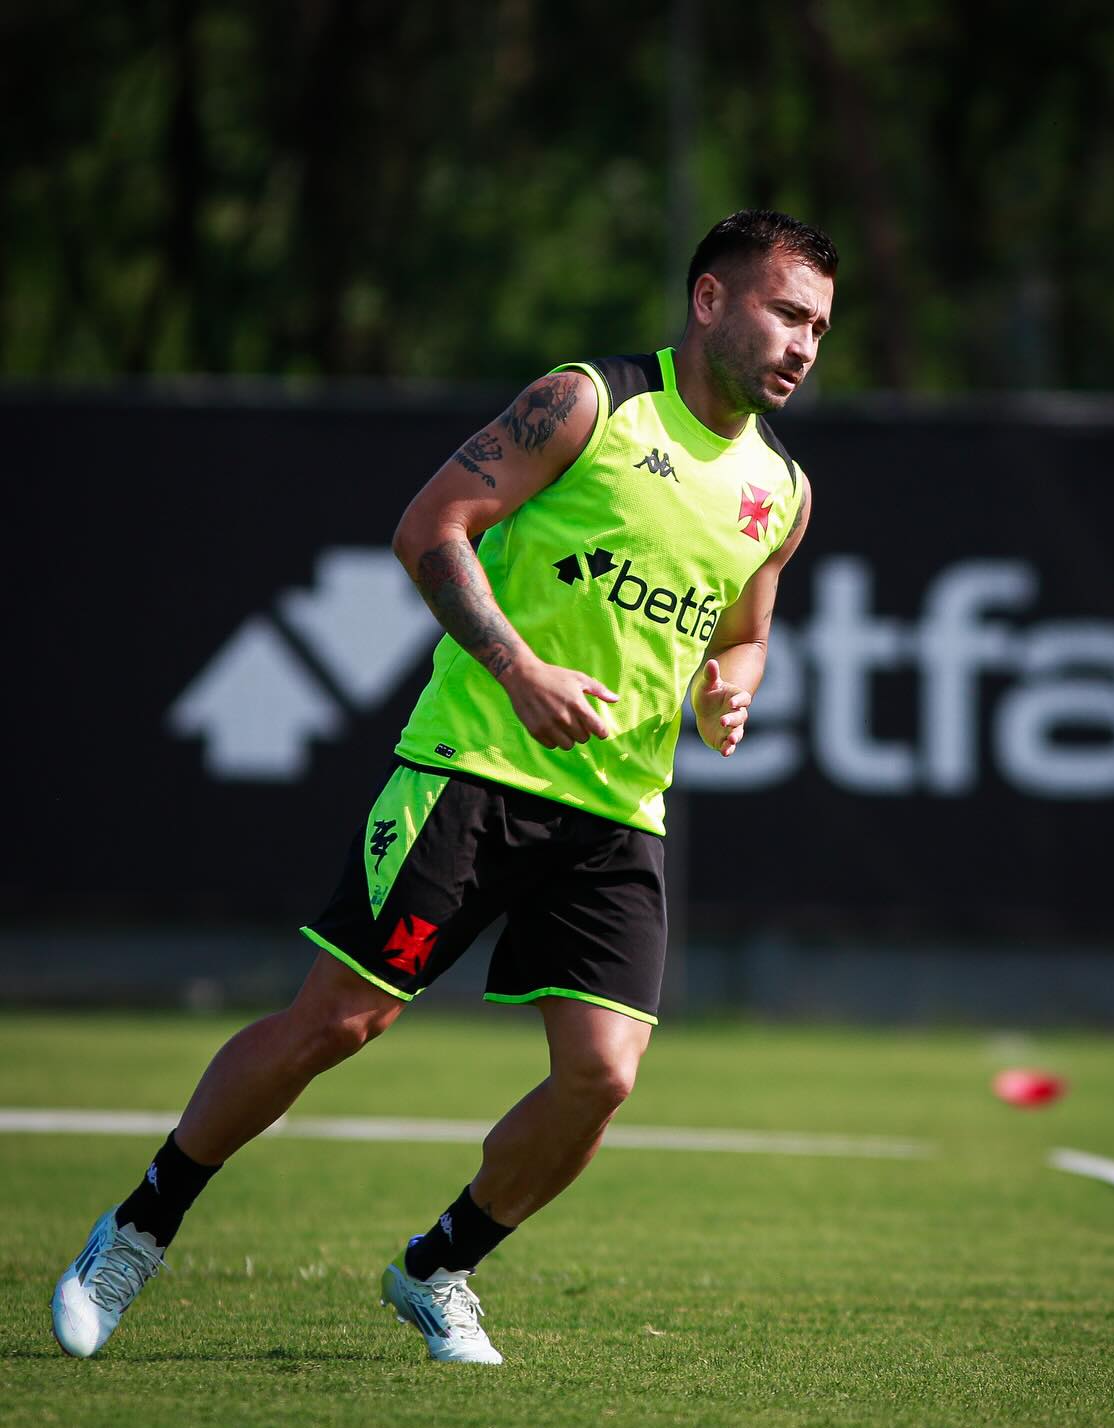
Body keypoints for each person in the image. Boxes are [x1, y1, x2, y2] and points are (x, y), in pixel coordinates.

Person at [52, 208, 837, 1364]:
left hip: (618, 812)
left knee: (602, 1078)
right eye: (786, 313)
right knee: (338, 1023)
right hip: (472, 772)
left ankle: (439, 1266)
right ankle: (136, 1229)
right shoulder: (589, 403)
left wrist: (734, 686)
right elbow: (431, 527)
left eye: (819, 326)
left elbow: (747, 634)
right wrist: (519, 668)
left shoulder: (783, 488)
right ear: (710, 299)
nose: (804, 344)